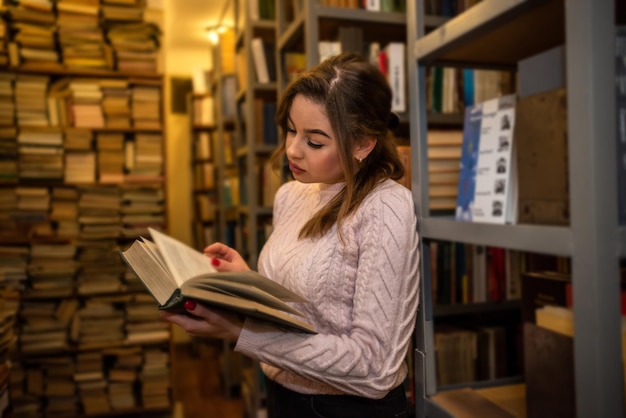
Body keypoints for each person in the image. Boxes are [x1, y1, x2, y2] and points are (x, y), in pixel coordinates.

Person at [162, 52, 420, 418]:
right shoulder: (291, 194)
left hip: (350, 410)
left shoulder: (386, 207)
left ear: (363, 145)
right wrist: (246, 283)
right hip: (283, 394)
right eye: (291, 129)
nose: (292, 150)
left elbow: (375, 367)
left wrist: (242, 333)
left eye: (315, 141)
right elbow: (303, 309)